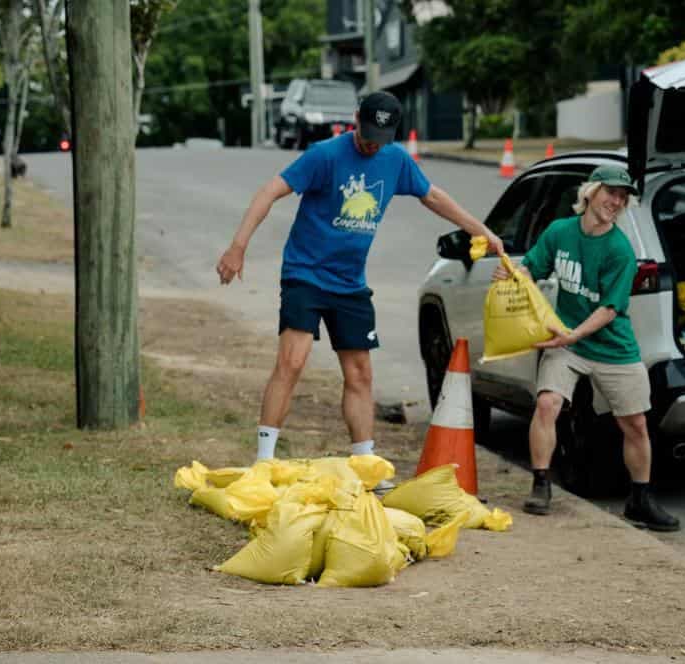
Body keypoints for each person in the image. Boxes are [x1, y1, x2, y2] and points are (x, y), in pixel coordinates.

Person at [215, 91, 503, 467]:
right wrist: (238, 247)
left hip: (350, 283)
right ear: (355, 119)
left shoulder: (395, 159)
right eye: (366, 134)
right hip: (306, 273)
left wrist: (482, 231)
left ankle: (365, 462)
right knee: (293, 361)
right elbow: (271, 190)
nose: (370, 145)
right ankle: (265, 459)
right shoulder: (325, 155)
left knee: (360, 373)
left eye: (379, 139)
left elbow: (432, 197)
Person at [496, 165, 679, 531]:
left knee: (636, 424)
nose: (616, 201)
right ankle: (541, 484)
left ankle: (640, 499)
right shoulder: (560, 232)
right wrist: (513, 275)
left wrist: (573, 335)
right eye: (611, 192)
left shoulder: (619, 250)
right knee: (547, 403)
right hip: (568, 341)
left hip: (611, 346)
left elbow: (610, 309)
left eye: (622, 197)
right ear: (591, 193)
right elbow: (533, 267)